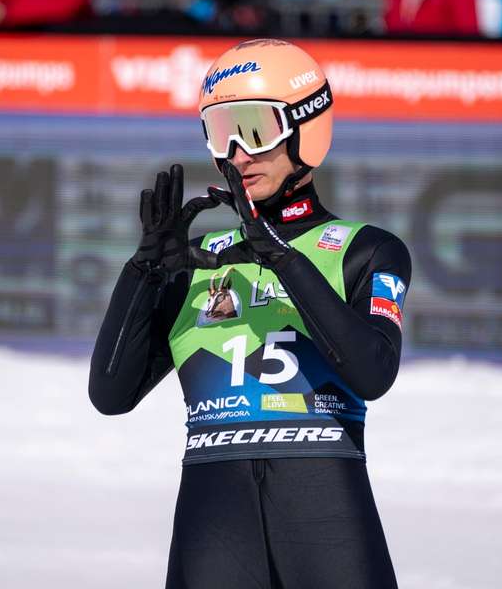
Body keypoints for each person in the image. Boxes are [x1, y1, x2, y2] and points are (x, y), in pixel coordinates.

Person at [89, 39, 410, 589]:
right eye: (220, 131)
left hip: (325, 516)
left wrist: (283, 258)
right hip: (214, 520)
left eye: (256, 130)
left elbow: (373, 373)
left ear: (307, 128)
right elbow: (110, 395)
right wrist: (141, 273)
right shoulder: (200, 261)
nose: (237, 152)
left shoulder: (366, 249)